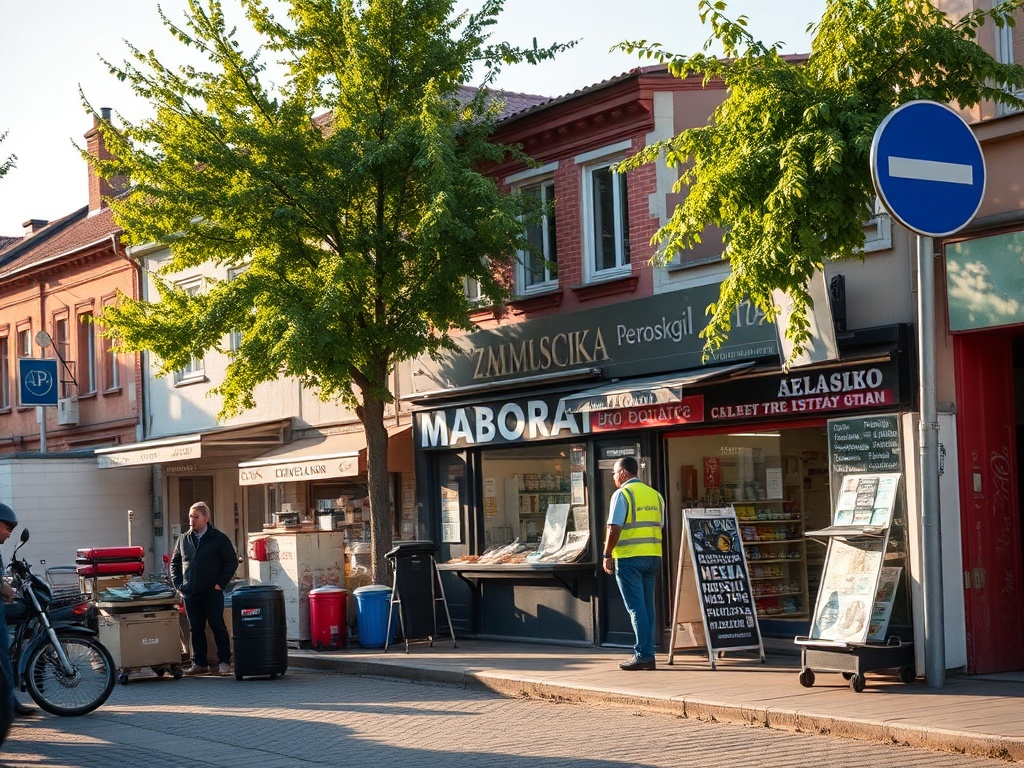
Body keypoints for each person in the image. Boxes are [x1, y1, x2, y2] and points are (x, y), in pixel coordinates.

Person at [601, 457, 665, 671]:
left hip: (629, 558)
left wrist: (607, 553)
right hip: (653, 556)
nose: (613, 478)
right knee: (647, 606)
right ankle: (648, 653)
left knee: (636, 607)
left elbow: (614, 528)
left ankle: (644, 655)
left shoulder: (622, 494)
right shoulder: (655, 495)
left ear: (622, 473)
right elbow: (660, 525)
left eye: (613, 473)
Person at [171, 501, 238, 676]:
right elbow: (175, 562)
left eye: (195, 517)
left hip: (212, 592)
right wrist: (179, 585)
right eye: (190, 517)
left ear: (205, 518)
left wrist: (220, 584)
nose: (191, 520)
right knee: (196, 629)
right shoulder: (184, 539)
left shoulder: (218, 538)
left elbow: (231, 561)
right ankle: (199, 663)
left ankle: (224, 661)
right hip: (190, 592)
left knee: (217, 626)